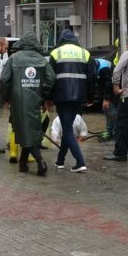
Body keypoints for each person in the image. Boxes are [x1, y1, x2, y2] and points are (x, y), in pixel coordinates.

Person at [0, 32, 55, 176]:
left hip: (18, 99)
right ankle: (23, 163)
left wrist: (4, 98)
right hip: (35, 99)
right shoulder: (41, 60)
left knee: (22, 129)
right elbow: (51, 78)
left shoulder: (14, 58)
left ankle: (40, 161)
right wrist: (44, 95)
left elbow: (4, 79)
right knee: (30, 129)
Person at [48, 29, 95, 173]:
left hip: (62, 96)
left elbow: (50, 78)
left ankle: (80, 162)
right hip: (79, 97)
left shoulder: (56, 53)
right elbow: (91, 77)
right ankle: (60, 160)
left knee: (67, 129)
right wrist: (90, 97)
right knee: (67, 127)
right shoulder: (85, 53)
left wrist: (48, 98)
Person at [95, 57, 118, 143]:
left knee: (111, 111)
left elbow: (108, 84)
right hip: (108, 88)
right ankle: (109, 130)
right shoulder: (94, 64)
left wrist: (106, 99)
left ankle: (113, 132)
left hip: (114, 89)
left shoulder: (104, 68)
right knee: (107, 111)